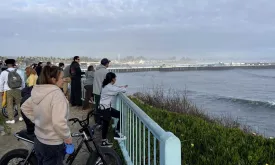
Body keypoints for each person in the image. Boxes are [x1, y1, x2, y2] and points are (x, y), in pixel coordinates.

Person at [21, 66, 72, 165]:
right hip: (53, 143)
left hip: (39, 139)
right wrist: (67, 137)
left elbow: (25, 107)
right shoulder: (57, 95)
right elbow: (59, 123)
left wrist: (39, 120)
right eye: (62, 78)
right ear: (53, 80)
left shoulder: (38, 90)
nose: (64, 80)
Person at [100, 72, 127, 147]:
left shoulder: (106, 85)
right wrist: (123, 87)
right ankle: (115, 134)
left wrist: (120, 87)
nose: (115, 79)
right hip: (105, 108)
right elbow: (123, 90)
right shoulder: (109, 87)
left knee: (106, 124)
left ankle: (106, 140)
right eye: (115, 78)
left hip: (105, 107)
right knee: (106, 124)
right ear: (112, 79)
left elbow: (115, 88)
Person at [0, 59, 25, 124]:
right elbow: (22, 81)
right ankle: (20, 117)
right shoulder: (19, 71)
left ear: (6, 64)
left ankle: (12, 119)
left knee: (9, 105)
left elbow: (1, 83)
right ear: (14, 64)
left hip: (8, 90)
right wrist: (22, 89)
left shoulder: (3, 72)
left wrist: (1, 91)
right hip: (18, 89)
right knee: (19, 103)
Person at [93, 58, 110, 124]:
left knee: (97, 106)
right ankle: (102, 121)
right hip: (102, 92)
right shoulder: (106, 72)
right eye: (108, 63)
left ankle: (97, 121)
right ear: (106, 64)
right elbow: (108, 83)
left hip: (96, 91)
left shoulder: (96, 71)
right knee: (103, 107)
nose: (109, 64)